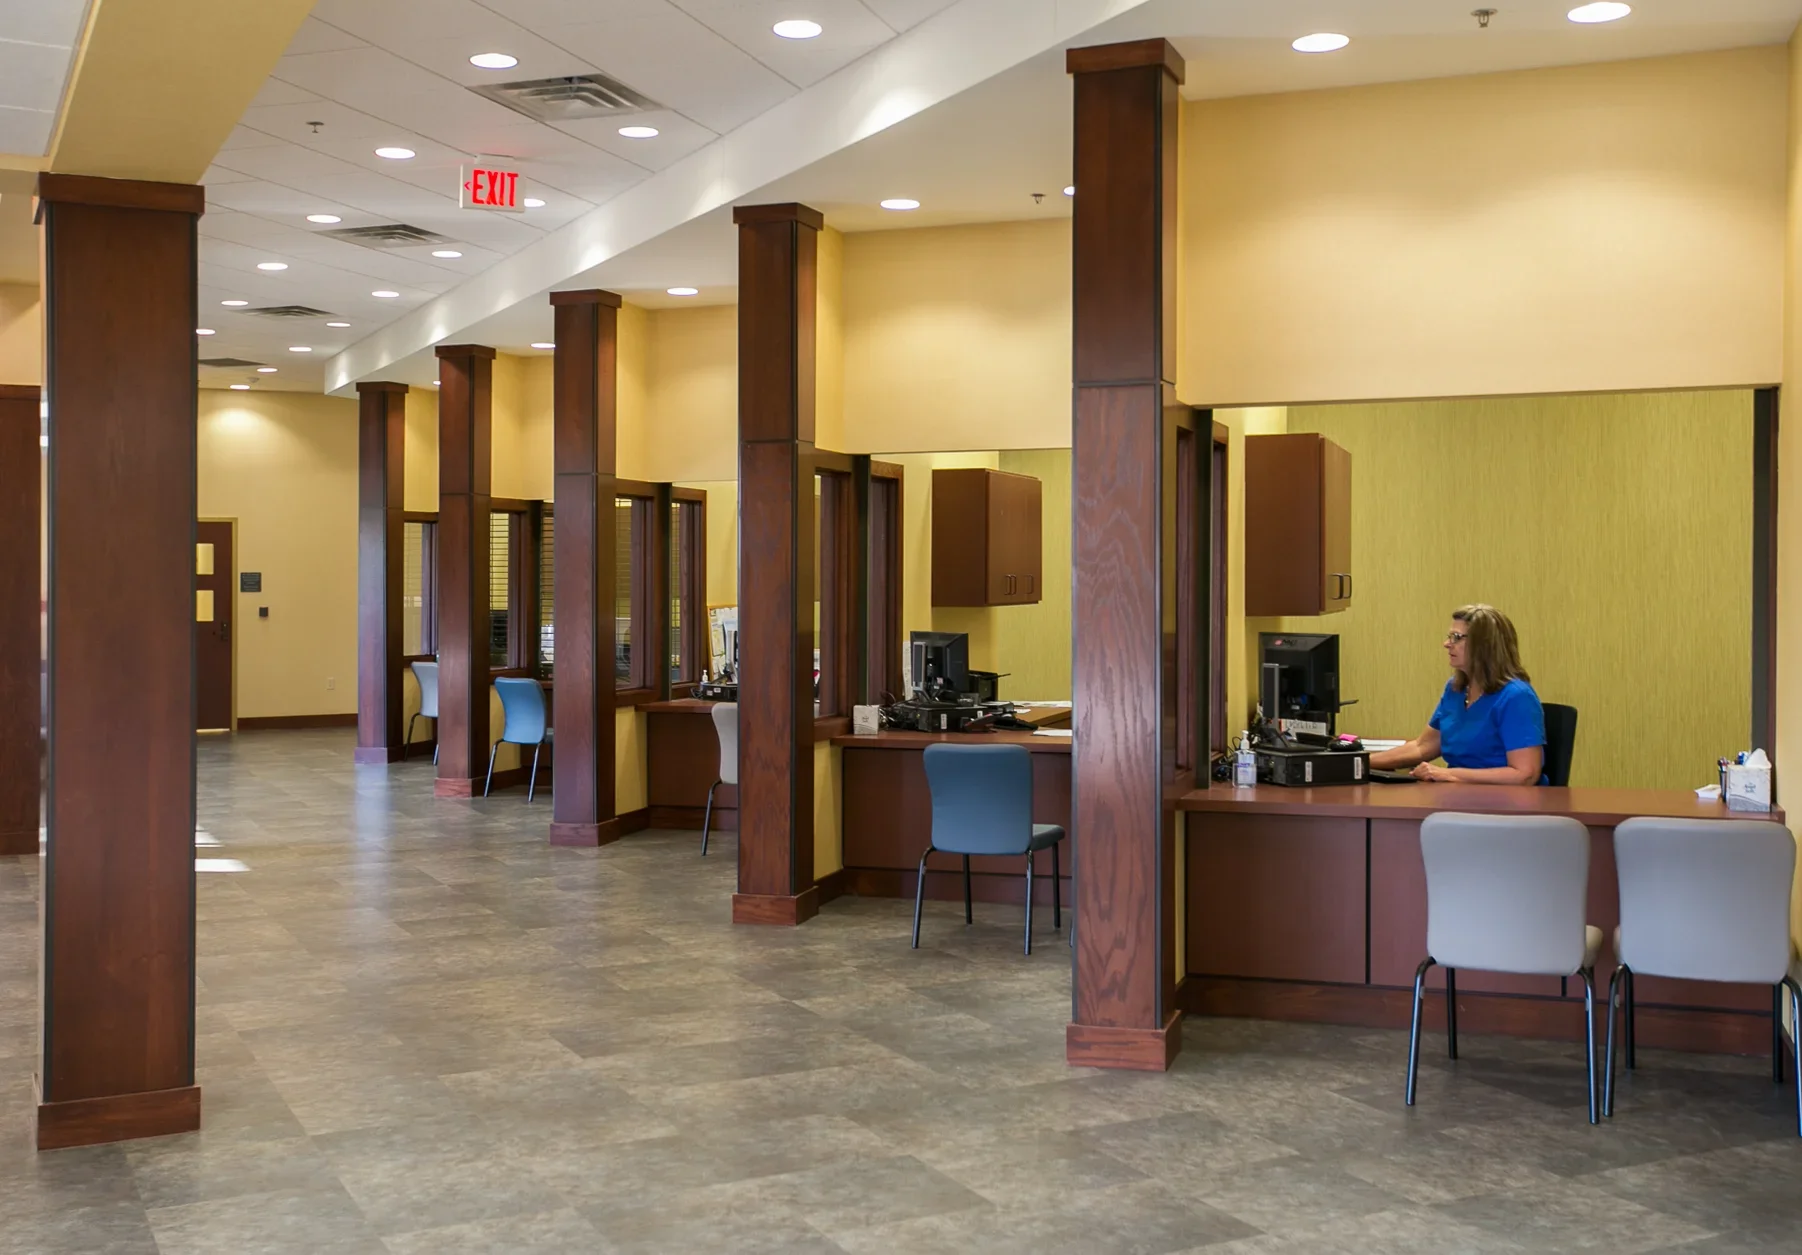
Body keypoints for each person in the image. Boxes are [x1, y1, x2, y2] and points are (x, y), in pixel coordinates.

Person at [1369, 604, 1546, 785]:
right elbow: (1424, 747)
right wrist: (1358, 763)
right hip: (1458, 796)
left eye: (1457, 638)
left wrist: (1449, 774)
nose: (1446, 644)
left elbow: (1525, 774)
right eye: (1449, 637)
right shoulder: (1456, 689)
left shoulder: (1516, 697)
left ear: (1484, 645)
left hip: (1502, 804)